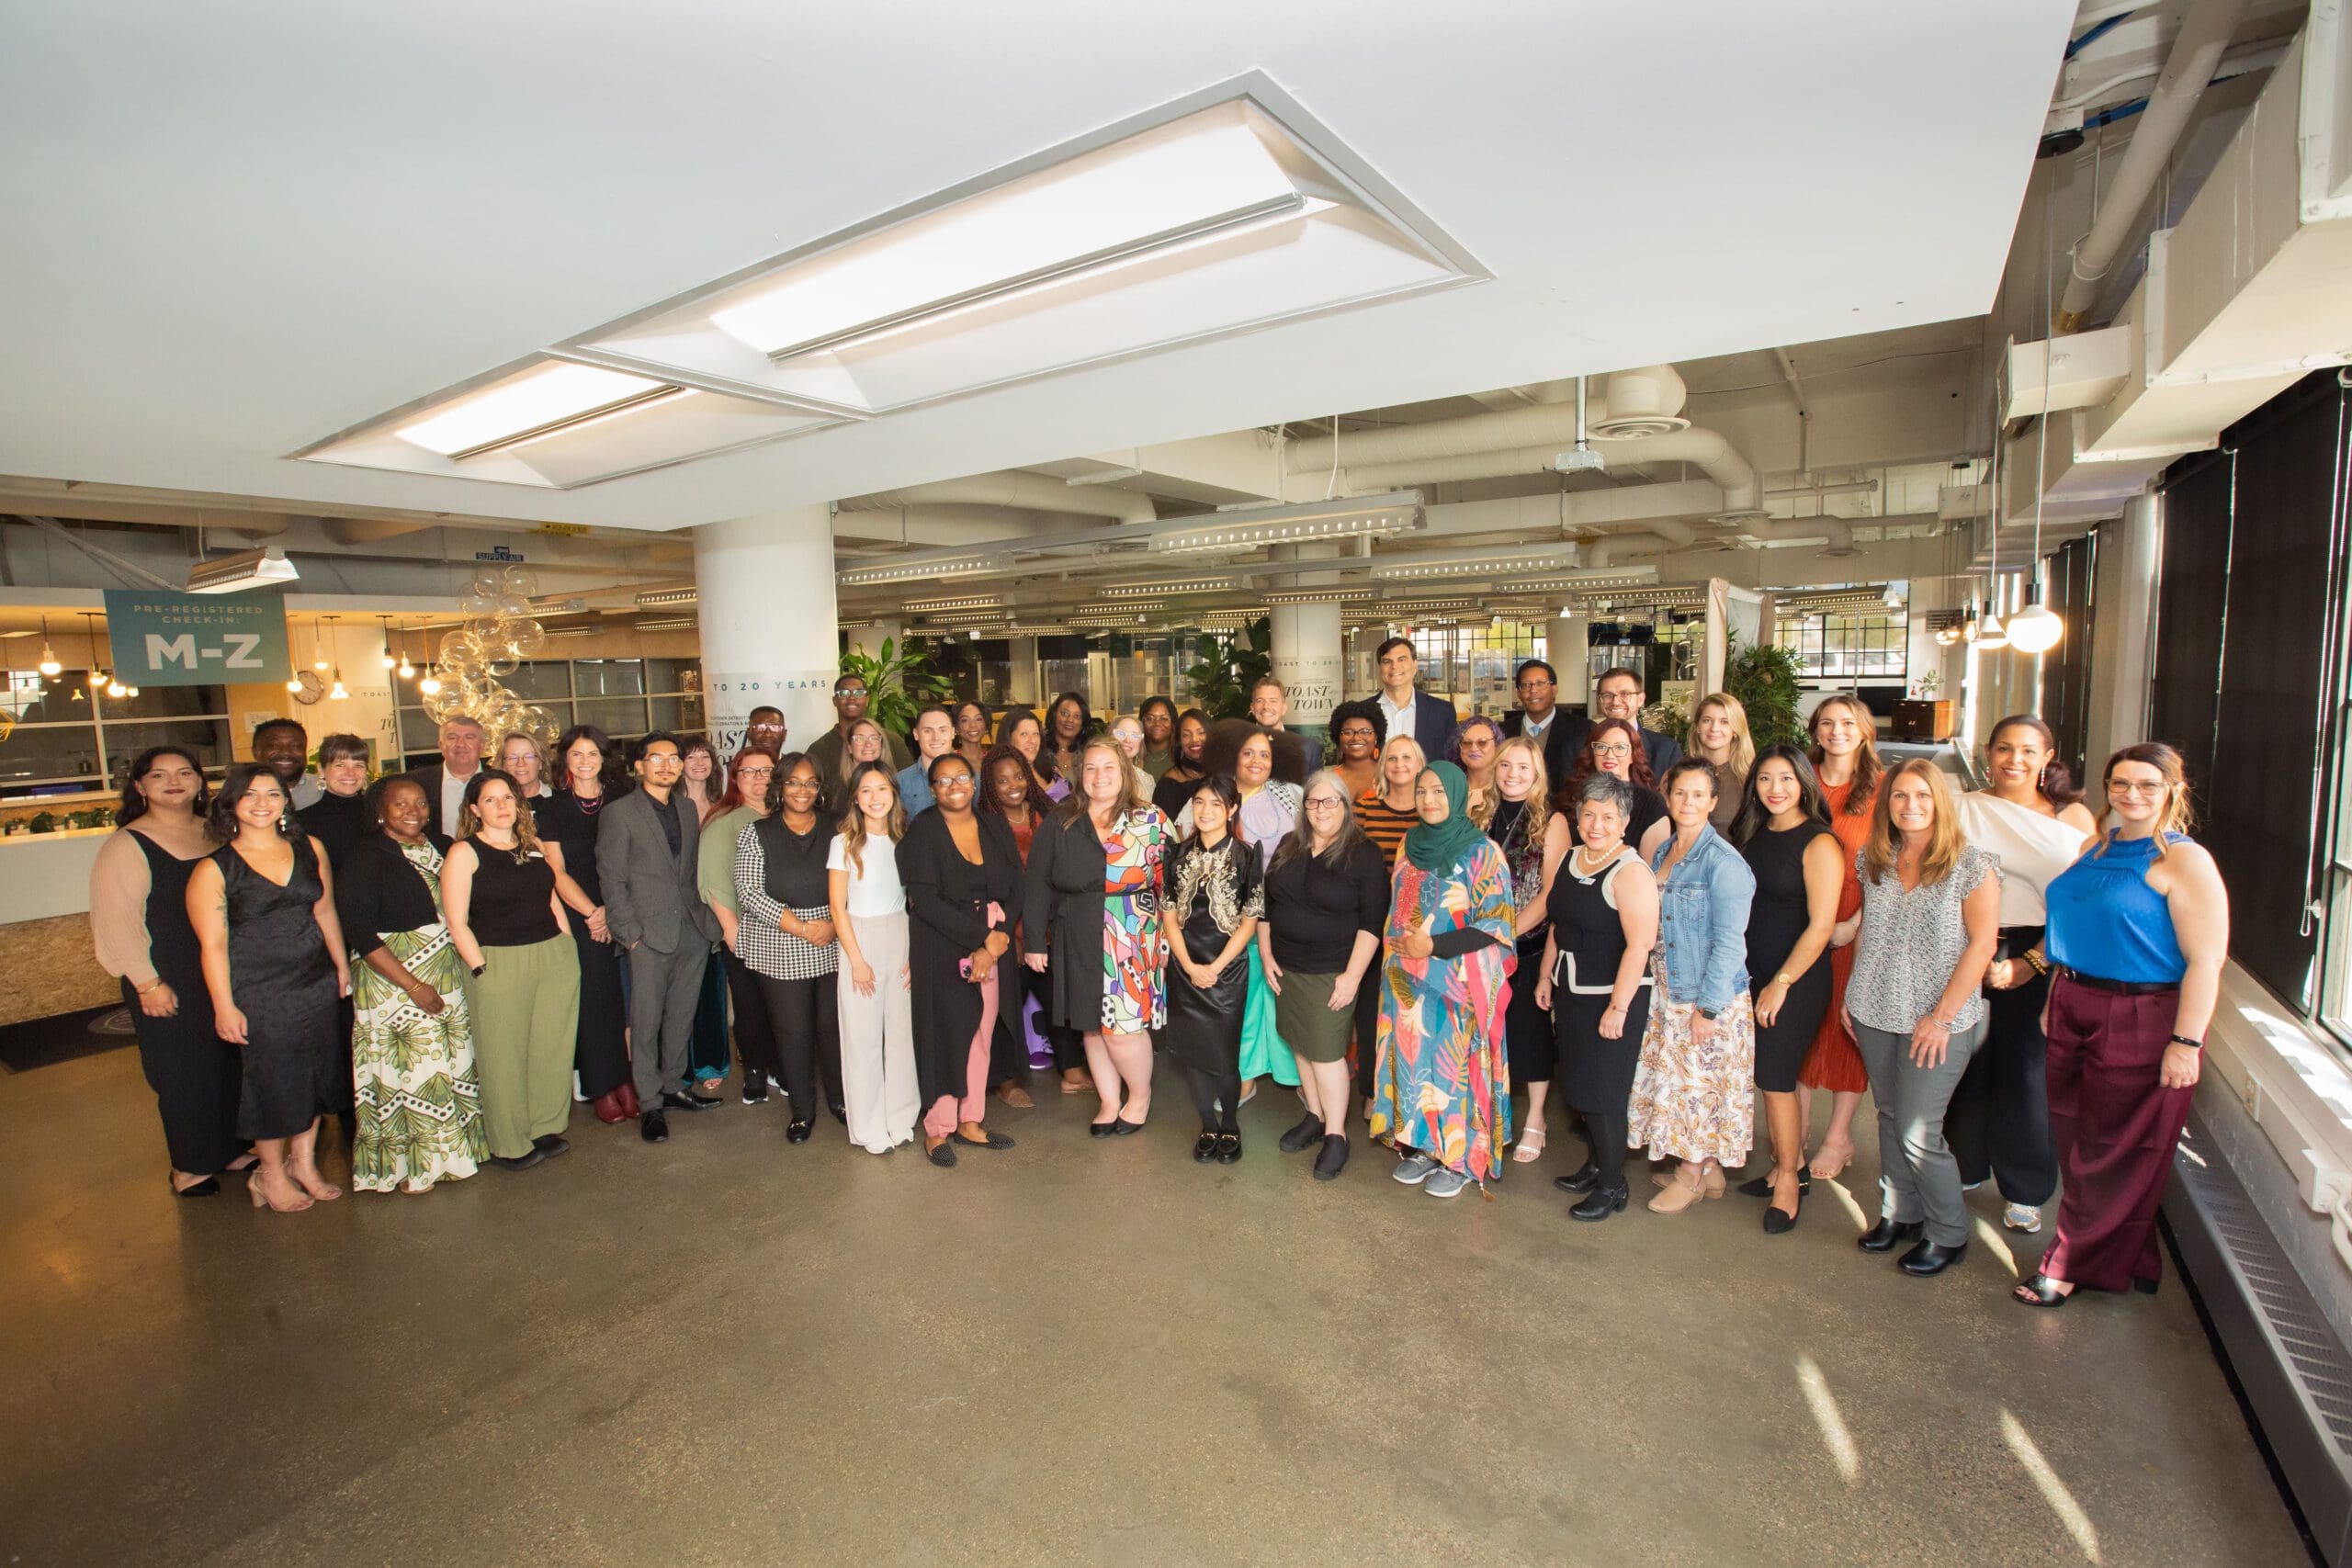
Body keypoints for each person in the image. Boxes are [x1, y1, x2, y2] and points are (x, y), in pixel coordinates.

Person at [2016, 743, 2228, 1308]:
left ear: (2172, 792)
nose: (2131, 795)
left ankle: (2066, 1262)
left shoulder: (2184, 861)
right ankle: (2131, 1255)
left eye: (2147, 785)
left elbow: (2206, 960)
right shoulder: (2097, 845)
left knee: (2110, 1149)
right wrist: (2056, 993)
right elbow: (2077, 927)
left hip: (2141, 1013)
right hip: (2074, 1001)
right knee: (2075, 1136)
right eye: (2120, 783)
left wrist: (2186, 1042)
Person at [1845, 760, 2001, 1278]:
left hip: (1938, 1018)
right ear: (1886, 804)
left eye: (1921, 796)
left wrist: (1941, 1016)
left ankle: (1948, 1232)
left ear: (1939, 802)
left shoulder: (1971, 865)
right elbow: (1870, 928)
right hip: (1874, 1006)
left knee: (1919, 1129)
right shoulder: (1875, 857)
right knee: (1889, 1117)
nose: (1910, 806)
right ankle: (1900, 1213)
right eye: (1899, 797)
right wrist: (1852, 994)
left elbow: (1982, 945)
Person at [1951, 716, 2098, 1236]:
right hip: (1966, 943)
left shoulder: (2073, 816)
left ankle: (2027, 1188)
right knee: (1964, 1058)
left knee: (2024, 1068)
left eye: (2028, 751)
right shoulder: (1965, 807)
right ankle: (1964, 1164)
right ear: (1987, 753)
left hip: (2041, 948)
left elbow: (2082, 903)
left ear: (2047, 756)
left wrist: (2030, 961)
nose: (2015, 760)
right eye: (2004, 749)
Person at [187, 764, 352, 1213]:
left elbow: (325, 912)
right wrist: (224, 1005)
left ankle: (305, 1164)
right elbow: (213, 946)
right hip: (259, 989)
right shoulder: (214, 869)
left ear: (285, 801)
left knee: (316, 1075)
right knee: (273, 1082)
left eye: (273, 794)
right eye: (251, 795)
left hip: (314, 980)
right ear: (232, 805)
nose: (263, 803)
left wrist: (340, 966)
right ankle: (270, 1175)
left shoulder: (309, 847)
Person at [90, 747, 247, 1195]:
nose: (173, 781)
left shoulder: (215, 832)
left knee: (226, 1063)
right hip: (167, 974)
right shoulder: (128, 844)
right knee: (182, 1071)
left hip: (221, 968)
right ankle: (190, 1166)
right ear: (140, 787)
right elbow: (116, 921)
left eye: (184, 772)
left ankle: (229, 1148)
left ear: (200, 782)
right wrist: (147, 981)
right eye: (158, 775)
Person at [334, 773, 487, 1193]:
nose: (412, 812)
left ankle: (457, 1154)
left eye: (420, 803)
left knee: (449, 1065)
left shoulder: (440, 844)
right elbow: (360, 932)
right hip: (395, 980)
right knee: (409, 1072)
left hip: (445, 968)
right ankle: (410, 1166)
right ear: (380, 810)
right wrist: (411, 985)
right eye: (400, 804)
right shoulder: (366, 855)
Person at [1373, 761, 1515, 1200]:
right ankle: (1423, 1146)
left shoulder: (1482, 851)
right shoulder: (1408, 842)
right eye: (1422, 792)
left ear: (1457, 796)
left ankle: (1459, 1158)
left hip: (1456, 984)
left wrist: (1431, 948)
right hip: (1405, 981)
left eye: (1438, 791)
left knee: (1451, 1068)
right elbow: (1399, 905)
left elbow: (1495, 925)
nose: (1429, 800)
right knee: (1414, 1063)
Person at [1021, 738, 1170, 1134]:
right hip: (1077, 930)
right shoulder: (1061, 818)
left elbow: (1168, 887)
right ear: (1079, 773)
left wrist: (1169, 942)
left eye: (1108, 767)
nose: (1099, 775)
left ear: (1124, 771)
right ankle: (1108, 1100)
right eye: (1091, 767)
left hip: (1133, 932)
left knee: (1123, 1030)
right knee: (1091, 1024)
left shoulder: (1150, 819)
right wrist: (1035, 940)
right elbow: (1037, 882)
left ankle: (1139, 1097)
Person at [1628, 759, 1758, 1214]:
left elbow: (1729, 943)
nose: (1688, 802)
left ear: (1713, 802)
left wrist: (1709, 1009)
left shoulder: (1724, 863)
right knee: (1683, 1086)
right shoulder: (1664, 851)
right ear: (1668, 797)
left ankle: (1691, 1176)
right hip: (1669, 989)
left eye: (1699, 795)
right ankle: (1709, 1169)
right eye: (1680, 793)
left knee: (1700, 1089)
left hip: (1707, 995)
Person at [442, 769, 582, 1170]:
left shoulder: (531, 844)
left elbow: (551, 897)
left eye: (508, 798)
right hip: (499, 960)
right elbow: (457, 920)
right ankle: (510, 1143)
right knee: (503, 1055)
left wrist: (567, 945)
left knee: (549, 1048)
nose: (502, 806)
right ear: (474, 808)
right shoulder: (465, 852)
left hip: (552, 955)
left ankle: (542, 1126)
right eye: (491, 799)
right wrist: (480, 969)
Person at [1536, 773, 1659, 1221]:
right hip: (1571, 990)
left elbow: (1640, 945)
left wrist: (1619, 1007)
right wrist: (1546, 976)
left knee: (1605, 1094)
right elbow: (1558, 922)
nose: (1596, 823)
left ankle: (1613, 1185)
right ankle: (1596, 1164)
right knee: (1581, 1087)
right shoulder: (1572, 858)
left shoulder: (1630, 871)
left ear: (1624, 822)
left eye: (1608, 816)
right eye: (1589, 813)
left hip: (1613, 996)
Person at [1730, 746, 1842, 1233]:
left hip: (1794, 978)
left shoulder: (1819, 843)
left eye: (1786, 780)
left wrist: (1781, 983)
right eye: (1765, 780)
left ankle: (1788, 1186)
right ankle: (1783, 1163)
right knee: (1766, 1079)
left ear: (1804, 784)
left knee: (1776, 1082)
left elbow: (1821, 927)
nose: (1775, 790)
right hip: (1752, 973)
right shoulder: (1753, 835)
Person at [1260, 769, 1387, 1181]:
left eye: (1330, 801)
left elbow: (1372, 923)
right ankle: (1314, 1115)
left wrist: (1352, 977)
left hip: (1332, 971)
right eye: (1313, 801)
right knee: (1300, 1043)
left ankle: (1336, 1135)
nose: (1320, 809)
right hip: (1286, 967)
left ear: (1346, 807)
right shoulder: (1288, 845)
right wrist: (1265, 954)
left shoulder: (1363, 853)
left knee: (1328, 1054)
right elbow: (1266, 906)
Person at [597, 733, 725, 1144]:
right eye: (657, 758)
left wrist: (707, 926)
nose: (667, 766)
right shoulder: (620, 813)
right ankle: (650, 1103)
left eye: (674, 759)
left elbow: (686, 873)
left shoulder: (687, 808)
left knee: (680, 1017)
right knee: (647, 1023)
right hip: (647, 935)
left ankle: (673, 1087)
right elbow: (612, 879)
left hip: (691, 931)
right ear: (639, 765)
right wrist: (630, 935)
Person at [899, 751, 1023, 1168]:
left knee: (981, 1032)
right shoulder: (924, 831)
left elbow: (1016, 887)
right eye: (943, 781)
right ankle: (937, 1129)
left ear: (973, 782)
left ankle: (971, 1121)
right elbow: (926, 902)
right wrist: (982, 939)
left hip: (991, 944)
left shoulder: (991, 822)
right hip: (941, 946)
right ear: (932, 789)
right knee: (946, 1034)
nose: (954, 787)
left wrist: (995, 943)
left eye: (961, 778)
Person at [1184, 724, 1305, 1095]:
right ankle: (1247, 1073)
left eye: (1265, 754)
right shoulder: (1211, 796)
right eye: (1248, 753)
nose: (1257, 761)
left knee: (1287, 995)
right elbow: (1187, 852)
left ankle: (1298, 1076)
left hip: (1287, 913)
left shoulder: (1292, 796)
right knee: (1246, 999)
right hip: (1232, 921)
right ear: (1233, 755)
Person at [734, 752, 844, 1141]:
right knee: (793, 1032)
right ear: (779, 786)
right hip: (779, 942)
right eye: (794, 782)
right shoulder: (757, 832)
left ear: (820, 788)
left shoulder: (837, 827)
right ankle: (802, 1109)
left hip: (833, 938)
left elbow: (857, 878)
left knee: (833, 1028)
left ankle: (840, 1099)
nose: (802, 790)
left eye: (811, 782)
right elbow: (748, 892)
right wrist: (801, 927)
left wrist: (834, 924)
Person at [1797, 693, 1881, 1180]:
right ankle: (1799, 1132)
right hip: (1803, 920)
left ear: (1864, 730)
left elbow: (1894, 869)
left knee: (1848, 1031)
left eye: (1847, 722)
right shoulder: (1800, 780)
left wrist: (1856, 924)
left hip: (1856, 923)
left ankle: (1839, 1137)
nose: (1836, 731)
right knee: (1802, 1030)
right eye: (1826, 723)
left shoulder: (1884, 789)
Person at [1162, 773, 1265, 1163]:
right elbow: (1170, 915)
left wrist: (1215, 968)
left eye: (1216, 804)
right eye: (1199, 802)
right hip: (1185, 968)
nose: (1205, 811)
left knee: (1223, 1054)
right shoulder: (1177, 853)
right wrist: (1188, 965)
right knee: (1194, 1054)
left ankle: (1231, 1125)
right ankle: (1207, 1123)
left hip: (1229, 971)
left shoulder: (1246, 855)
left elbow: (1250, 920)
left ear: (1232, 809)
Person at [536, 726, 632, 1122]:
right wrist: (594, 913)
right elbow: (554, 870)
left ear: (604, 759)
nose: (586, 761)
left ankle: (627, 1077)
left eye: (593, 753)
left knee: (626, 999)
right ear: (566, 761)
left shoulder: (624, 800)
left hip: (623, 906)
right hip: (578, 913)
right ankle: (601, 1085)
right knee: (593, 999)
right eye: (577, 754)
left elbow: (634, 860)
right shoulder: (551, 808)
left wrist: (611, 908)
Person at [829, 762, 919, 1155]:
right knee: (863, 1038)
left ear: (894, 794)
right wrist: (857, 959)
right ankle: (866, 1126)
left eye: (882, 788)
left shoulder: (906, 839)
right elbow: (837, 907)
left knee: (901, 1034)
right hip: (859, 937)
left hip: (899, 933)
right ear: (855, 799)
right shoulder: (844, 842)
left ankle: (901, 1116)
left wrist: (912, 953)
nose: (875, 797)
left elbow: (915, 902)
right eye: (866, 790)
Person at [1488, 735, 1571, 1163]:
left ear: (1537, 773)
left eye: (1523, 767)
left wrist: (1506, 935)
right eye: (1505, 766)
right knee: (1487, 1037)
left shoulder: (1551, 820)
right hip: (1480, 947)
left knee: (1529, 1035)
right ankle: (1488, 1114)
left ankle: (1536, 1120)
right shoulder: (1478, 811)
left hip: (1529, 945)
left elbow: (1552, 892)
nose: (1512, 775)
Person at [980, 745, 1064, 1100]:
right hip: (1006, 930)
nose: (1013, 785)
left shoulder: (1048, 812)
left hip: (1051, 924)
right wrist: (1008, 934)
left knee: (1061, 998)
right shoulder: (984, 824)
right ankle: (1007, 1080)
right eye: (1001, 780)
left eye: (1018, 776)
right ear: (989, 786)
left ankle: (1073, 1069)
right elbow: (985, 885)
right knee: (1005, 1008)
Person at [1351, 732, 1427, 1111]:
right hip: (1370, 922)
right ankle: (1371, 1091)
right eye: (1392, 759)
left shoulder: (1429, 810)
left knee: (1408, 1013)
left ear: (1419, 764)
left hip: (1415, 928)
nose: (1399, 765)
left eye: (1407, 758)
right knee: (1369, 1011)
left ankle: (1405, 1093)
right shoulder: (1366, 807)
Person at [702, 748, 779, 1105]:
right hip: (745, 932)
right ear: (735, 776)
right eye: (750, 772)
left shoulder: (787, 814)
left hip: (790, 932)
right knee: (750, 1007)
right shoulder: (724, 821)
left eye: (767, 771)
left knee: (783, 1007)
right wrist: (733, 934)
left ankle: (783, 1066)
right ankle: (755, 1072)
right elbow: (715, 883)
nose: (760, 778)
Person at [1563, 716, 1668, 851]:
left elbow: (1651, 868)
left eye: (1620, 747)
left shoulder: (1651, 804)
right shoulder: (1574, 796)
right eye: (1601, 746)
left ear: (1633, 755)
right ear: (1592, 753)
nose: (1610, 755)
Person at [1566, 666, 1682, 779]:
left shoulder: (1666, 750)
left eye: (1625, 694)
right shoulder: (1577, 746)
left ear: (1641, 700)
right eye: (1607, 695)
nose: (1615, 702)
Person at [805, 673, 913, 780]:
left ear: (867, 700)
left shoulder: (892, 741)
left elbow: (910, 785)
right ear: (834, 701)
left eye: (859, 693)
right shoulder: (819, 749)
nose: (852, 697)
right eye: (844, 693)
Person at [1370, 636, 1458, 760]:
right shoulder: (1364, 712)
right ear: (1380, 669)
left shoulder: (1442, 712)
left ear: (1415, 666)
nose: (1394, 666)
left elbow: (1450, 761)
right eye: (1387, 661)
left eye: (1401, 660)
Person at [297, 733, 372, 863]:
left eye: (358, 765)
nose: (350, 773)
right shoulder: (303, 822)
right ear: (321, 769)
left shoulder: (379, 814)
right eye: (340, 765)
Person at [1501, 659, 1577, 783]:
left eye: (1540, 684)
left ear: (1554, 690)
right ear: (1519, 693)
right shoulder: (1503, 731)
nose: (1533, 691)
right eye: (1526, 685)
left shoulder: (1581, 730)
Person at [1687, 693, 1755, 832]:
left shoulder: (1750, 777)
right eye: (1707, 720)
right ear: (1698, 726)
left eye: (1724, 721)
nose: (1714, 728)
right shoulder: (1680, 773)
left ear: (1735, 729)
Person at [410, 716, 488, 837]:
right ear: (441, 746)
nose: (460, 744)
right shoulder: (416, 782)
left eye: (469, 737)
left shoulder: (500, 781)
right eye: (452, 738)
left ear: (482, 746)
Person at [1249, 677, 1324, 773]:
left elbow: (1314, 786)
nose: (1266, 706)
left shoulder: (1309, 749)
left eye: (1273, 701)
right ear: (1252, 708)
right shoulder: (1236, 746)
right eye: (1260, 701)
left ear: (1284, 708)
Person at [823, 717, 892, 819]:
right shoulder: (837, 791)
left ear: (881, 745)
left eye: (874, 738)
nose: (868, 744)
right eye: (859, 738)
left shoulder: (895, 782)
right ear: (850, 747)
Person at [1149, 707, 1210, 818]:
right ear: (1179, 741)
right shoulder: (1169, 784)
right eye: (1186, 735)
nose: (1195, 740)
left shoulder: (1225, 773)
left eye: (1201, 733)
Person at [250, 716, 322, 810]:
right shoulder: (239, 794)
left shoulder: (323, 791)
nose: (286, 752)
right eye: (274, 746)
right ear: (256, 752)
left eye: (295, 746)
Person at [897, 705, 957, 816]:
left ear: (953, 732)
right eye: (928, 731)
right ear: (916, 734)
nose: (936, 737)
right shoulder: (900, 782)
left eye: (943, 730)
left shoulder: (973, 779)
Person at [1001, 709, 1069, 802]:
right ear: (1009, 738)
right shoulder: (1006, 780)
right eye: (1024, 734)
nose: (1032, 740)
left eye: (1036, 734)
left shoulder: (1051, 767)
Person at [1326, 699, 1385, 800]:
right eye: (1348, 732)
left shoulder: (1389, 775)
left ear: (1376, 737)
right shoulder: (1327, 780)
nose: (1356, 738)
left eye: (1365, 732)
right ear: (1338, 737)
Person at [1453, 715, 1504, 824]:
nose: (1474, 748)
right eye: (1466, 743)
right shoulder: (1450, 787)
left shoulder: (1505, 790)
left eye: (1482, 742)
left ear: (1497, 745)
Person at [1045, 692, 1095, 783]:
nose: (1070, 720)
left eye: (1077, 716)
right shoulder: (1039, 750)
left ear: (1083, 722)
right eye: (1064, 713)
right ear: (1054, 715)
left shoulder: (1089, 753)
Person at [1108, 715, 1154, 799]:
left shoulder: (1148, 779)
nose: (1127, 740)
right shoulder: (1100, 775)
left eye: (1135, 735)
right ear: (1110, 737)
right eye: (1121, 734)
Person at [500, 732, 554, 803]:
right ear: (503, 765)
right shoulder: (495, 807)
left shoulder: (565, 801)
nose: (520, 764)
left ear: (540, 762)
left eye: (529, 757)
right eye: (512, 758)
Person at [677, 737, 720, 818]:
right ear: (680, 764)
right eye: (691, 757)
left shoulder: (720, 806)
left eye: (705, 756)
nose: (700, 763)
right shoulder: (672, 806)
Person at [1137, 696, 1179, 779]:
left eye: (1164, 718)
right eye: (1150, 718)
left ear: (1173, 723)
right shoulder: (1133, 754)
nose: (1157, 723)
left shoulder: (1181, 756)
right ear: (1142, 722)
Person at [950, 700, 992, 773]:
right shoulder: (949, 760)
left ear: (986, 725)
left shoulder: (994, 759)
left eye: (979, 719)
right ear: (956, 728)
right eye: (965, 720)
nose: (973, 725)